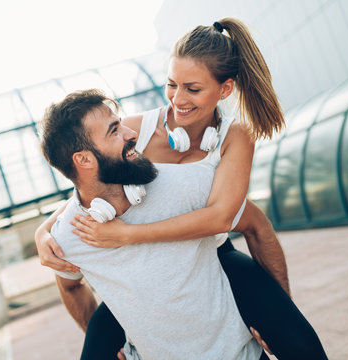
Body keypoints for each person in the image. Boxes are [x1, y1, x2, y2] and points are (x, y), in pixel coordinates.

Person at [36, 18, 327, 359]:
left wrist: (277, 312)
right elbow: (94, 181)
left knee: (300, 343)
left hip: (212, 256)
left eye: (193, 88)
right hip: (142, 276)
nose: (178, 98)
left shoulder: (235, 137)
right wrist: (46, 231)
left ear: (225, 89)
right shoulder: (132, 130)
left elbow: (225, 218)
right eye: (172, 84)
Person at [41, 88, 265, 359]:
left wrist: (273, 319)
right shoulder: (68, 236)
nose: (130, 133)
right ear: (84, 159)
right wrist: (114, 350)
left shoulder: (186, 183)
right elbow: (69, 286)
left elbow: (256, 225)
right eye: (114, 131)